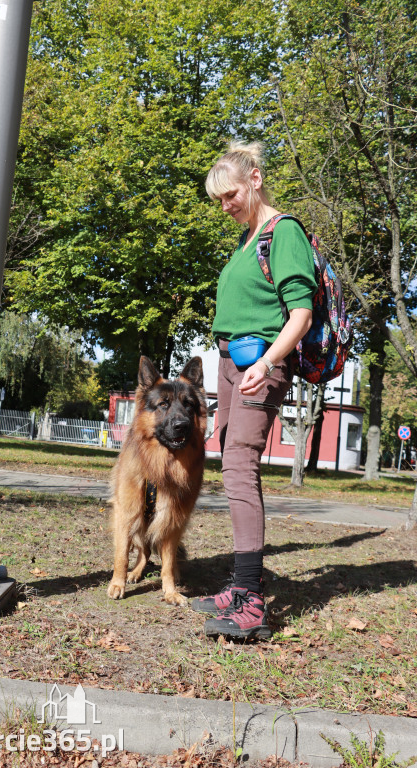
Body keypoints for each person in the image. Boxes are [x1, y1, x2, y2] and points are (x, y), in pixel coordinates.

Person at [191, 140, 317, 639]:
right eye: (218, 199)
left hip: (258, 365)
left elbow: (301, 315)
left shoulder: (281, 232)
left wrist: (268, 362)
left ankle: (252, 603)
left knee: (241, 467)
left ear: (256, 179)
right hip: (230, 363)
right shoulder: (248, 239)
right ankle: (241, 586)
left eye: (231, 195)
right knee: (232, 464)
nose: (225, 206)